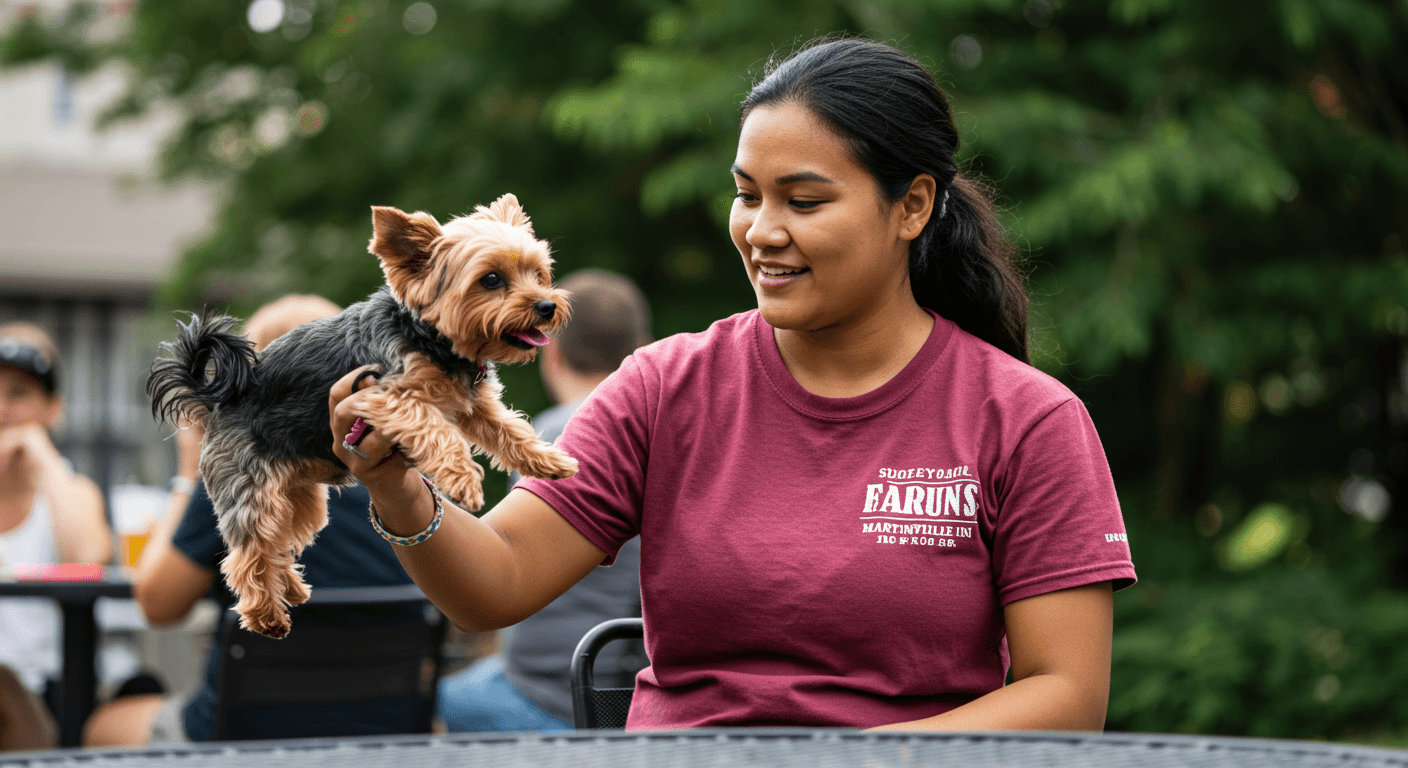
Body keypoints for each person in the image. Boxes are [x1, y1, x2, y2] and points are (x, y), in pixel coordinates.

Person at [329, 37, 1136, 731]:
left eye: (804, 201)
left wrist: (865, 757)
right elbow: (499, 578)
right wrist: (399, 489)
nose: (762, 231)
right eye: (747, 195)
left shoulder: (1025, 419)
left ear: (913, 206)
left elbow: (1066, 694)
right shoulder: (664, 388)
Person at [82, 295, 417, 746]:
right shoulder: (406, 485)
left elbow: (157, 605)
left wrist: (191, 472)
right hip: (390, 733)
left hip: (243, 735)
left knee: (104, 726)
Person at [437, 269, 651, 731]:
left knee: (427, 698)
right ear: (643, 349)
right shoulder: (663, 431)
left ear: (550, 351)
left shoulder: (552, 437)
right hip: (636, 696)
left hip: (551, 697)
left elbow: (494, 576)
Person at [0, 322, 110, 750]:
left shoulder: (70, 492)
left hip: (54, 694)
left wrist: (41, 455)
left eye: (18, 394)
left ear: (53, 408)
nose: (2, 409)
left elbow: (90, 557)